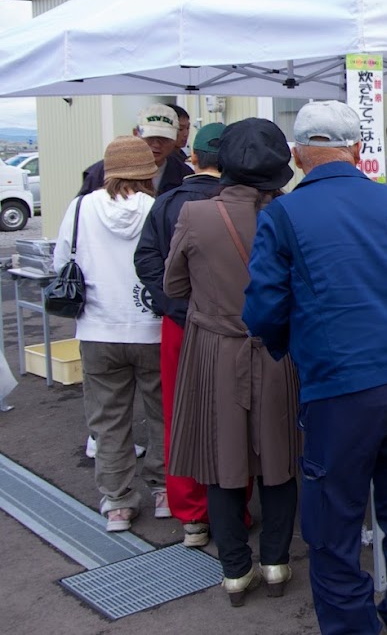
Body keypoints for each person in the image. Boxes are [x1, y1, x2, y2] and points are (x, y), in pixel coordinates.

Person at [243, 101, 387, 635]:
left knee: (333, 526)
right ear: (358, 150)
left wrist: (289, 344)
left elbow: (263, 310)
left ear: (296, 153)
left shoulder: (282, 215)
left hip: (342, 386)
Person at [165, 119, 301, 605]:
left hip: (215, 351)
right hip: (277, 350)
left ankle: (235, 572)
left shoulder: (195, 214)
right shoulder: (290, 213)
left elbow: (174, 286)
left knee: (222, 461)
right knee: (279, 459)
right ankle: (276, 563)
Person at [54, 136, 165, 532]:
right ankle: (165, 489)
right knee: (162, 413)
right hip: (151, 327)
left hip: (98, 328)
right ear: (148, 172)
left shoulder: (80, 207)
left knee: (108, 419)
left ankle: (118, 502)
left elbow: (61, 259)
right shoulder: (157, 207)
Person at [133, 122, 225, 548]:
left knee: (179, 414)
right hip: (232, 326)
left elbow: (146, 259)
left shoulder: (167, 201)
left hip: (179, 325)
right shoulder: (247, 200)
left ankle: (191, 514)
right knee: (230, 414)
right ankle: (232, 509)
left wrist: (173, 304)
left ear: (193, 157)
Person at [80, 104, 192, 195]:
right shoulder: (103, 171)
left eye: (164, 138)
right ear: (135, 133)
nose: (157, 144)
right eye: (150, 137)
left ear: (175, 138)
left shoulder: (184, 175)